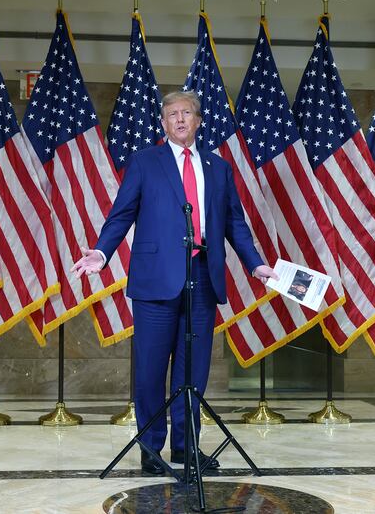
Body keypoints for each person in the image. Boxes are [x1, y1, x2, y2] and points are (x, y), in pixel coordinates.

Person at [71, 91, 277, 475]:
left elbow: (234, 222)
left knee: (192, 371)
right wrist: (101, 253)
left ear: (198, 121)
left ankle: (186, 448)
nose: (179, 120)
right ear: (163, 124)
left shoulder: (219, 168)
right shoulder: (145, 162)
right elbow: (122, 213)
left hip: (203, 277)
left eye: (186, 113)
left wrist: (256, 265)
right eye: (171, 115)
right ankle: (151, 449)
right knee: (150, 369)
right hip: (155, 280)